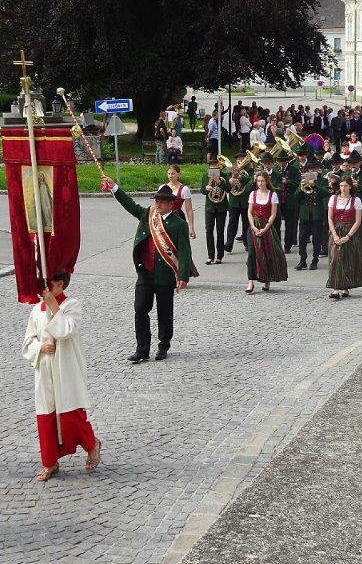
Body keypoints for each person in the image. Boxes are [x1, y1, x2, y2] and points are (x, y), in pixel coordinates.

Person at [21, 270, 102, 482]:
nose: (44, 290)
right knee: (46, 416)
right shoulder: (36, 311)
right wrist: (40, 347)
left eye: (48, 285)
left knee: (71, 417)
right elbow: (27, 342)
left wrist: (53, 306)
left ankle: (92, 444)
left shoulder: (72, 306)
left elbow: (65, 330)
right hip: (45, 368)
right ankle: (50, 462)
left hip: (66, 369)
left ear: (60, 285)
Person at [103, 179, 192, 362]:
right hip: (145, 272)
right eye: (156, 201)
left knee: (164, 312)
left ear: (171, 204)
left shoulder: (179, 224)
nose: (157, 204)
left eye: (161, 202)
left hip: (165, 274)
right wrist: (115, 188)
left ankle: (163, 345)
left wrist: (183, 276)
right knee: (140, 309)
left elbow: (185, 252)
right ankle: (142, 349)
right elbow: (130, 205)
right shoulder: (148, 215)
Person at [245, 171, 288, 293]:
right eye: (258, 181)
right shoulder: (253, 194)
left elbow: (273, 214)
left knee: (266, 253)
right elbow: (249, 212)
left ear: (267, 181)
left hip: (266, 226)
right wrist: (253, 227)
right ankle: (250, 281)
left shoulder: (272, 195)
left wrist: (265, 228)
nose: (260, 183)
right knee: (251, 253)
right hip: (254, 226)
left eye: (262, 181)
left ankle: (267, 280)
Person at [326, 177, 362, 299]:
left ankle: (346, 287)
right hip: (336, 230)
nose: (343, 188)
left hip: (350, 231)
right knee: (335, 258)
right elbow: (330, 218)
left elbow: (358, 221)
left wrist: (348, 236)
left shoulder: (356, 200)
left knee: (348, 259)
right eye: (341, 186)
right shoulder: (333, 198)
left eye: (346, 186)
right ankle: (335, 288)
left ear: (350, 187)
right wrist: (334, 234)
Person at [293, 158, 325, 271]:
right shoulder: (304, 180)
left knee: (317, 238)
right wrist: (300, 189)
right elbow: (296, 197)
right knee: (302, 237)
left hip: (317, 214)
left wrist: (315, 185)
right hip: (305, 214)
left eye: (314, 168)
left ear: (318, 169)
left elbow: (325, 193)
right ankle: (302, 260)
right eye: (310, 169)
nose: (312, 171)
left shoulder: (322, 180)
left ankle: (315, 260)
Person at [200, 157, 228, 265]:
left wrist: (219, 182)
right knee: (209, 231)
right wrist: (206, 189)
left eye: (215, 165)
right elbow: (202, 190)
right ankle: (210, 256)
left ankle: (219, 256)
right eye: (211, 166)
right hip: (210, 207)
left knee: (220, 231)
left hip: (221, 207)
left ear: (218, 166)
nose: (213, 168)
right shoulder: (205, 176)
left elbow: (228, 189)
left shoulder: (224, 175)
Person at [225, 152, 251, 252]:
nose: (240, 160)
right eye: (238, 159)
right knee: (232, 223)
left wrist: (240, 177)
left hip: (245, 201)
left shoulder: (249, 170)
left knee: (246, 223)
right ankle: (229, 244)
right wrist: (230, 180)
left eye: (242, 158)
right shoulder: (231, 170)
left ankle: (247, 243)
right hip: (234, 201)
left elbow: (250, 182)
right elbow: (226, 183)